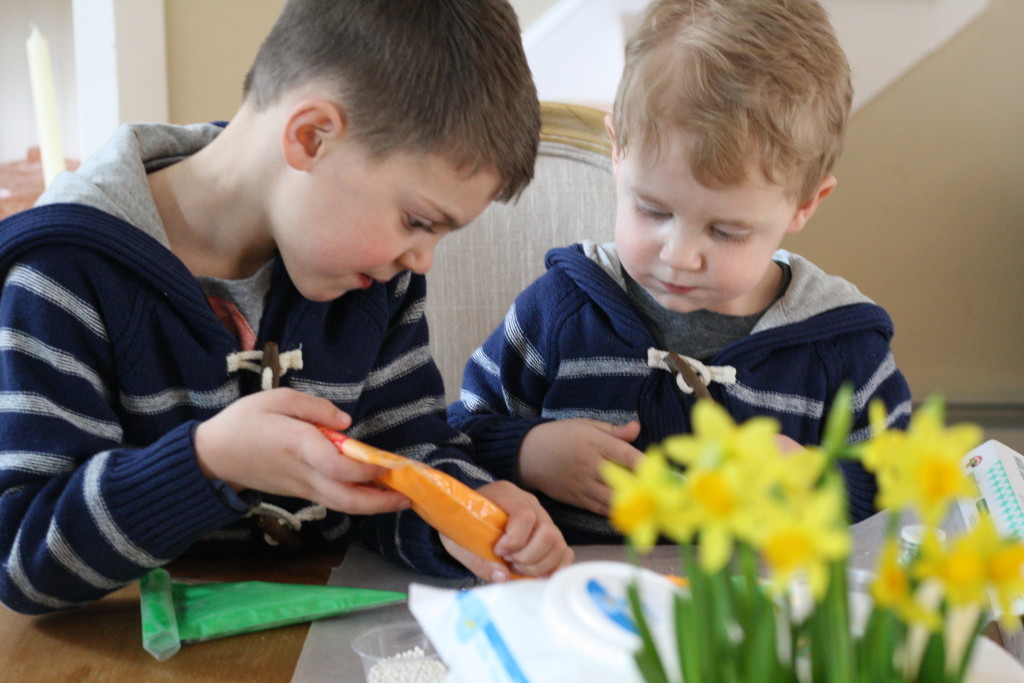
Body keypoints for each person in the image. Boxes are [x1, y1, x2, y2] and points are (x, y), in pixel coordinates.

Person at [0, 0, 574, 616]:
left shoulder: (374, 280)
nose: (422, 259)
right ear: (311, 136)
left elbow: (404, 457)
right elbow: (23, 559)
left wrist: (473, 514)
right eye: (416, 221)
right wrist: (211, 461)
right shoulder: (63, 275)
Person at [448, 0, 912, 543]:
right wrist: (527, 454)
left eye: (726, 232)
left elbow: (900, 486)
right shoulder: (557, 311)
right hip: (577, 610)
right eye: (653, 210)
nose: (679, 256)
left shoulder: (842, 348)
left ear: (806, 203)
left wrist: (816, 484)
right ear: (618, 150)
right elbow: (454, 435)